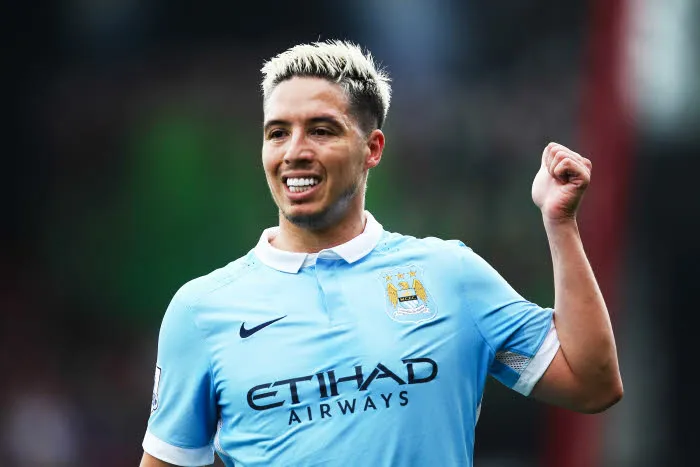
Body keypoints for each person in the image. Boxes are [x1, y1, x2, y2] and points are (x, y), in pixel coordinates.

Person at [139, 40, 623, 467]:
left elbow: (592, 383)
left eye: (321, 130)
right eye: (278, 132)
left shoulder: (450, 277)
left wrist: (560, 223)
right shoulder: (201, 311)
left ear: (372, 148)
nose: (294, 151)